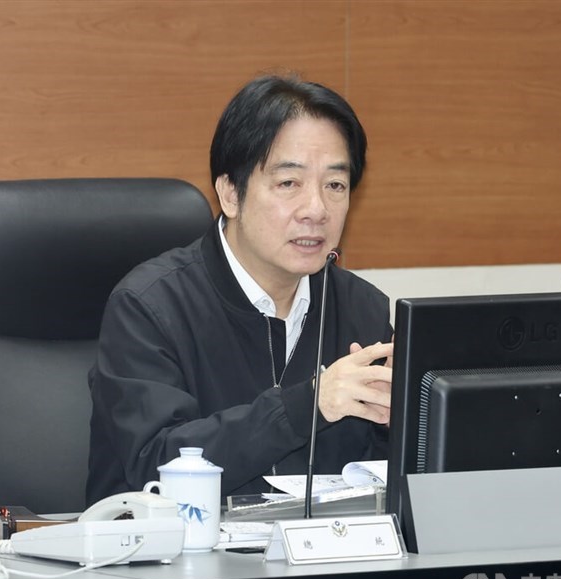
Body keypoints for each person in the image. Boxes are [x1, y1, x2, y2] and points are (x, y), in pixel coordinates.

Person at [86, 74, 393, 505]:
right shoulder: (149, 307)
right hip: (171, 564)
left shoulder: (363, 309)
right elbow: (156, 466)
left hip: (321, 562)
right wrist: (310, 403)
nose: (316, 210)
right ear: (230, 193)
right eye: (289, 183)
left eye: (335, 185)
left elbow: (391, 478)